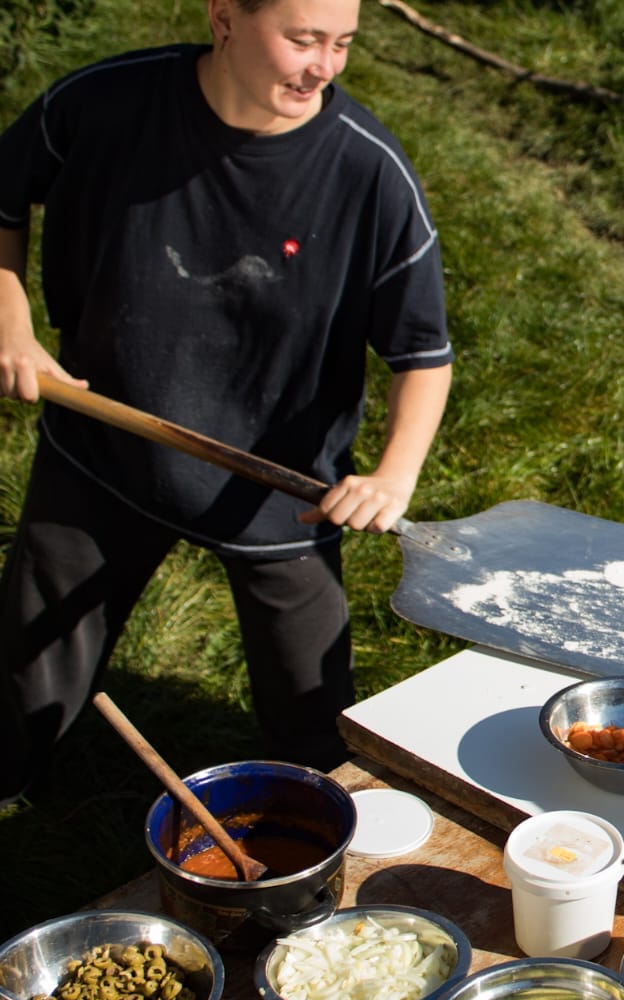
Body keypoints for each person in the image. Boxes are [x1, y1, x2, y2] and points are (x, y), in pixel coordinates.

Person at [0, 0, 454, 802]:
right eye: (303, 39)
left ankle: (312, 857)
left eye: (342, 43)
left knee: (317, 731)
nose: (324, 67)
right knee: (25, 692)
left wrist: (393, 476)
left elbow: (423, 354)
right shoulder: (104, 103)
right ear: (225, 18)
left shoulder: (366, 171)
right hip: (103, 448)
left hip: (276, 490)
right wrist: (10, 323)